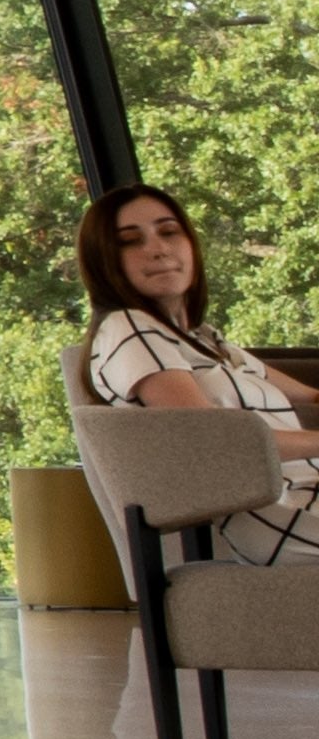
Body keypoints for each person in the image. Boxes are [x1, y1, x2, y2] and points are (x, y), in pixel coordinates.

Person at [73, 178, 319, 566]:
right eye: (130, 241)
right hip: (278, 509)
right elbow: (216, 439)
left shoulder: (203, 340)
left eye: (169, 231)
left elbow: (310, 395)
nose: (157, 248)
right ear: (105, 261)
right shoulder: (129, 328)